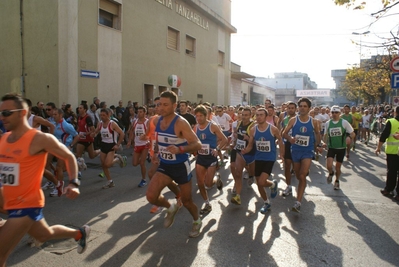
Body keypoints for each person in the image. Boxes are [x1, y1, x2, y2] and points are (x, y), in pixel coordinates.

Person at [0, 93, 90, 266]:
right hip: (9, 204)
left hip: (26, 205)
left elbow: (69, 157)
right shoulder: (4, 139)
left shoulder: (39, 139)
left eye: (7, 112)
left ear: (22, 113)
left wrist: (73, 182)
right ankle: (79, 233)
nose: (2, 117)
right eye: (0, 112)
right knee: (44, 235)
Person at [146, 91, 202, 238]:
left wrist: (180, 149)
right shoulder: (157, 121)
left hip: (180, 166)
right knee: (151, 196)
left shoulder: (180, 123)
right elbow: (159, 140)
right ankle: (170, 208)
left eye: (165, 105)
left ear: (174, 105)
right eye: (159, 104)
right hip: (165, 165)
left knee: (187, 201)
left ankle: (197, 221)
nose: (161, 108)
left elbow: (197, 144)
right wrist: (156, 154)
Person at [141, 97, 181, 214]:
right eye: (156, 105)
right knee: (163, 178)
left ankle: (160, 200)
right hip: (156, 151)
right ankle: (176, 195)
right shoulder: (153, 119)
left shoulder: (173, 120)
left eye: (160, 105)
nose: (158, 108)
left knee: (153, 174)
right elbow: (148, 133)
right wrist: (144, 137)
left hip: (168, 153)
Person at [283, 97, 322, 212]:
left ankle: (298, 202)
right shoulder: (293, 120)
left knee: (302, 175)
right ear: (298, 108)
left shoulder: (314, 122)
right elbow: (284, 133)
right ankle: (302, 176)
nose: (302, 108)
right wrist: (290, 138)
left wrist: (319, 145)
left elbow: (317, 135)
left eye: (305, 106)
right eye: (301, 106)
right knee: (297, 172)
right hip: (295, 151)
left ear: (309, 108)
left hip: (307, 151)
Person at [242, 108, 284, 214]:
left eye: (261, 115)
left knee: (261, 181)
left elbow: (280, 139)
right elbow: (251, 145)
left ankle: (273, 185)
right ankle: (266, 203)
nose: (259, 117)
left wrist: (282, 154)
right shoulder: (253, 130)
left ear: (266, 117)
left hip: (269, 158)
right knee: (259, 183)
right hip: (258, 158)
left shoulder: (273, 129)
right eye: (257, 115)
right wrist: (245, 151)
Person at [194, 105, 227, 214]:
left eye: (201, 116)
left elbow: (224, 139)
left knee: (208, 184)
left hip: (211, 157)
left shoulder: (212, 126)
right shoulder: (196, 127)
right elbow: (194, 140)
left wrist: (217, 149)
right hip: (200, 157)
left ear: (206, 115)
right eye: (197, 116)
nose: (198, 118)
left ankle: (216, 179)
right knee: (200, 182)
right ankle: (207, 203)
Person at [91, 108, 127, 189]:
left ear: (108, 115)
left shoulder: (112, 124)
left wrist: (118, 144)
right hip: (103, 145)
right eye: (101, 115)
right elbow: (96, 132)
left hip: (111, 145)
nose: (102, 117)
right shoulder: (100, 124)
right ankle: (110, 182)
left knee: (108, 164)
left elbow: (122, 133)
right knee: (104, 165)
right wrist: (93, 134)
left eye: (104, 115)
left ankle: (117, 159)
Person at [324, 106, 355, 190]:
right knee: (329, 165)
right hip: (331, 147)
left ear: (339, 113)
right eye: (333, 112)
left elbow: (352, 133)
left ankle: (337, 181)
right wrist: (324, 143)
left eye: (336, 112)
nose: (334, 114)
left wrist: (349, 137)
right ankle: (331, 173)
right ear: (330, 113)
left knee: (338, 167)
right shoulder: (328, 123)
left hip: (341, 148)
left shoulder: (344, 122)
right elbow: (325, 135)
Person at [52, 108, 80, 197]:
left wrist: (70, 146)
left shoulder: (66, 126)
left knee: (59, 167)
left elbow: (77, 136)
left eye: (55, 114)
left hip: (65, 149)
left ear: (61, 115)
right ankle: (77, 167)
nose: (53, 116)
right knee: (55, 166)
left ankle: (59, 188)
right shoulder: (53, 124)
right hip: (56, 149)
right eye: (53, 114)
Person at [230, 107, 255, 205]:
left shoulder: (253, 126)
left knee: (252, 171)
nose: (243, 117)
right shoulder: (239, 124)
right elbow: (237, 135)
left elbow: (256, 141)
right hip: (240, 151)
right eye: (242, 115)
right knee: (238, 172)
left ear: (250, 116)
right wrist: (234, 141)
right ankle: (238, 196)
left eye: (246, 115)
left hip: (250, 153)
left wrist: (248, 138)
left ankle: (251, 176)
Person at [376, 105, 399, 202]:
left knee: (391, 172)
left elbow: (384, 135)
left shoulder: (391, 122)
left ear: (395, 112)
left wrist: (378, 148)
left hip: (392, 152)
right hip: (393, 152)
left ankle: (388, 190)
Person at [75, 103, 101, 178]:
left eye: (81, 108)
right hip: (81, 139)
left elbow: (93, 129)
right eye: (78, 108)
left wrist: (86, 133)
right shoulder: (79, 117)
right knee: (78, 155)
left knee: (92, 156)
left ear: (85, 110)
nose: (79, 109)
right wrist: (77, 132)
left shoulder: (88, 118)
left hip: (88, 139)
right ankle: (78, 172)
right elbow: (79, 127)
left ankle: (99, 151)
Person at [127, 106, 150, 188]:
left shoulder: (147, 122)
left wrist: (147, 138)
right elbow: (132, 132)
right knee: (134, 163)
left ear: (145, 113)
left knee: (142, 163)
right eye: (138, 112)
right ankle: (146, 157)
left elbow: (151, 133)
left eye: (141, 112)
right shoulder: (135, 122)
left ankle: (144, 180)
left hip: (145, 145)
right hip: (137, 144)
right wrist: (129, 141)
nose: (139, 113)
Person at [281, 101, 297, 196]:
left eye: (292, 108)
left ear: (296, 109)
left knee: (297, 168)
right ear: (286, 109)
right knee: (287, 165)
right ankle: (288, 186)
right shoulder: (285, 119)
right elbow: (283, 131)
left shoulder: (299, 119)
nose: (290, 110)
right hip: (288, 144)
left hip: (299, 145)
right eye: (289, 108)